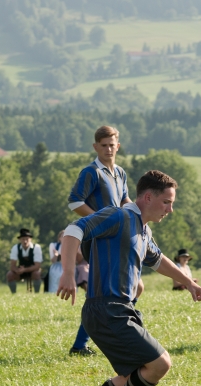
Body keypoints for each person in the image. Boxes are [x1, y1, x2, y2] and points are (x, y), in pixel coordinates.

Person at [58, 170, 201, 386]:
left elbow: (158, 261)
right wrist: (68, 272)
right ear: (148, 197)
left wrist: (189, 282)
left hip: (120, 309)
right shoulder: (119, 216)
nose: (170, 210)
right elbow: (73, 230)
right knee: (160, 364)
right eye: (166, 202)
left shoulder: (143, 230)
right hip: (107, 310)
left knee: (131, 375)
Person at [65, 125, 134, 356]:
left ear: (118, 146)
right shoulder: (91, 172)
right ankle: (80, 345)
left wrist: (137, 216)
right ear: (95, 146)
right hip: (96, 240)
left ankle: (115, 330)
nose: (108, 149)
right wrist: (100, 221)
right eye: (103, 145)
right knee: (100, 294)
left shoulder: (120, 173)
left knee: (130, 287)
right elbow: (75, 201)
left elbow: (124, 200)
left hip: (117, 238)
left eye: (111, 145)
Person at [7, 228, 42, 293]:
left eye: (27, 239)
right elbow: (12, 265)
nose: (25, 241)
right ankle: (13, 294)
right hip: (20, 271)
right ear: (20, 240)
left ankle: (37, 293)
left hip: (33, 271)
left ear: (30, 239)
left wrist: (24, 270)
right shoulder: (15, 248)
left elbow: (37, 266)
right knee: (10, 274)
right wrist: (17, 270)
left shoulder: (36, 247)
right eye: (23, 239)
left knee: (37, 274)